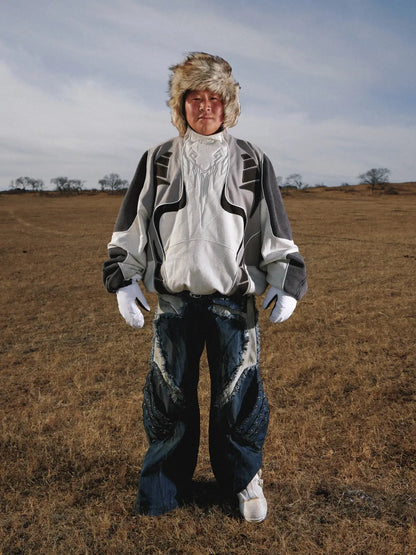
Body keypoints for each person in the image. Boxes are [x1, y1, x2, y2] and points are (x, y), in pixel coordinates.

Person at [103, 52, 307, 522]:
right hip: (174, 301)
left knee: (237, 396)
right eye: (194, 98)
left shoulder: (252, 159)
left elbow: (275, 228)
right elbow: (130, 228)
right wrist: (123, 281)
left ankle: (243, 480)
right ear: (182, 105)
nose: (205, 107)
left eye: (214, 98)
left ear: (228, 105)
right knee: (169, 396)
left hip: (233, 302)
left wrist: (287, 282)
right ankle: (162, 488)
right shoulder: (157, 159)